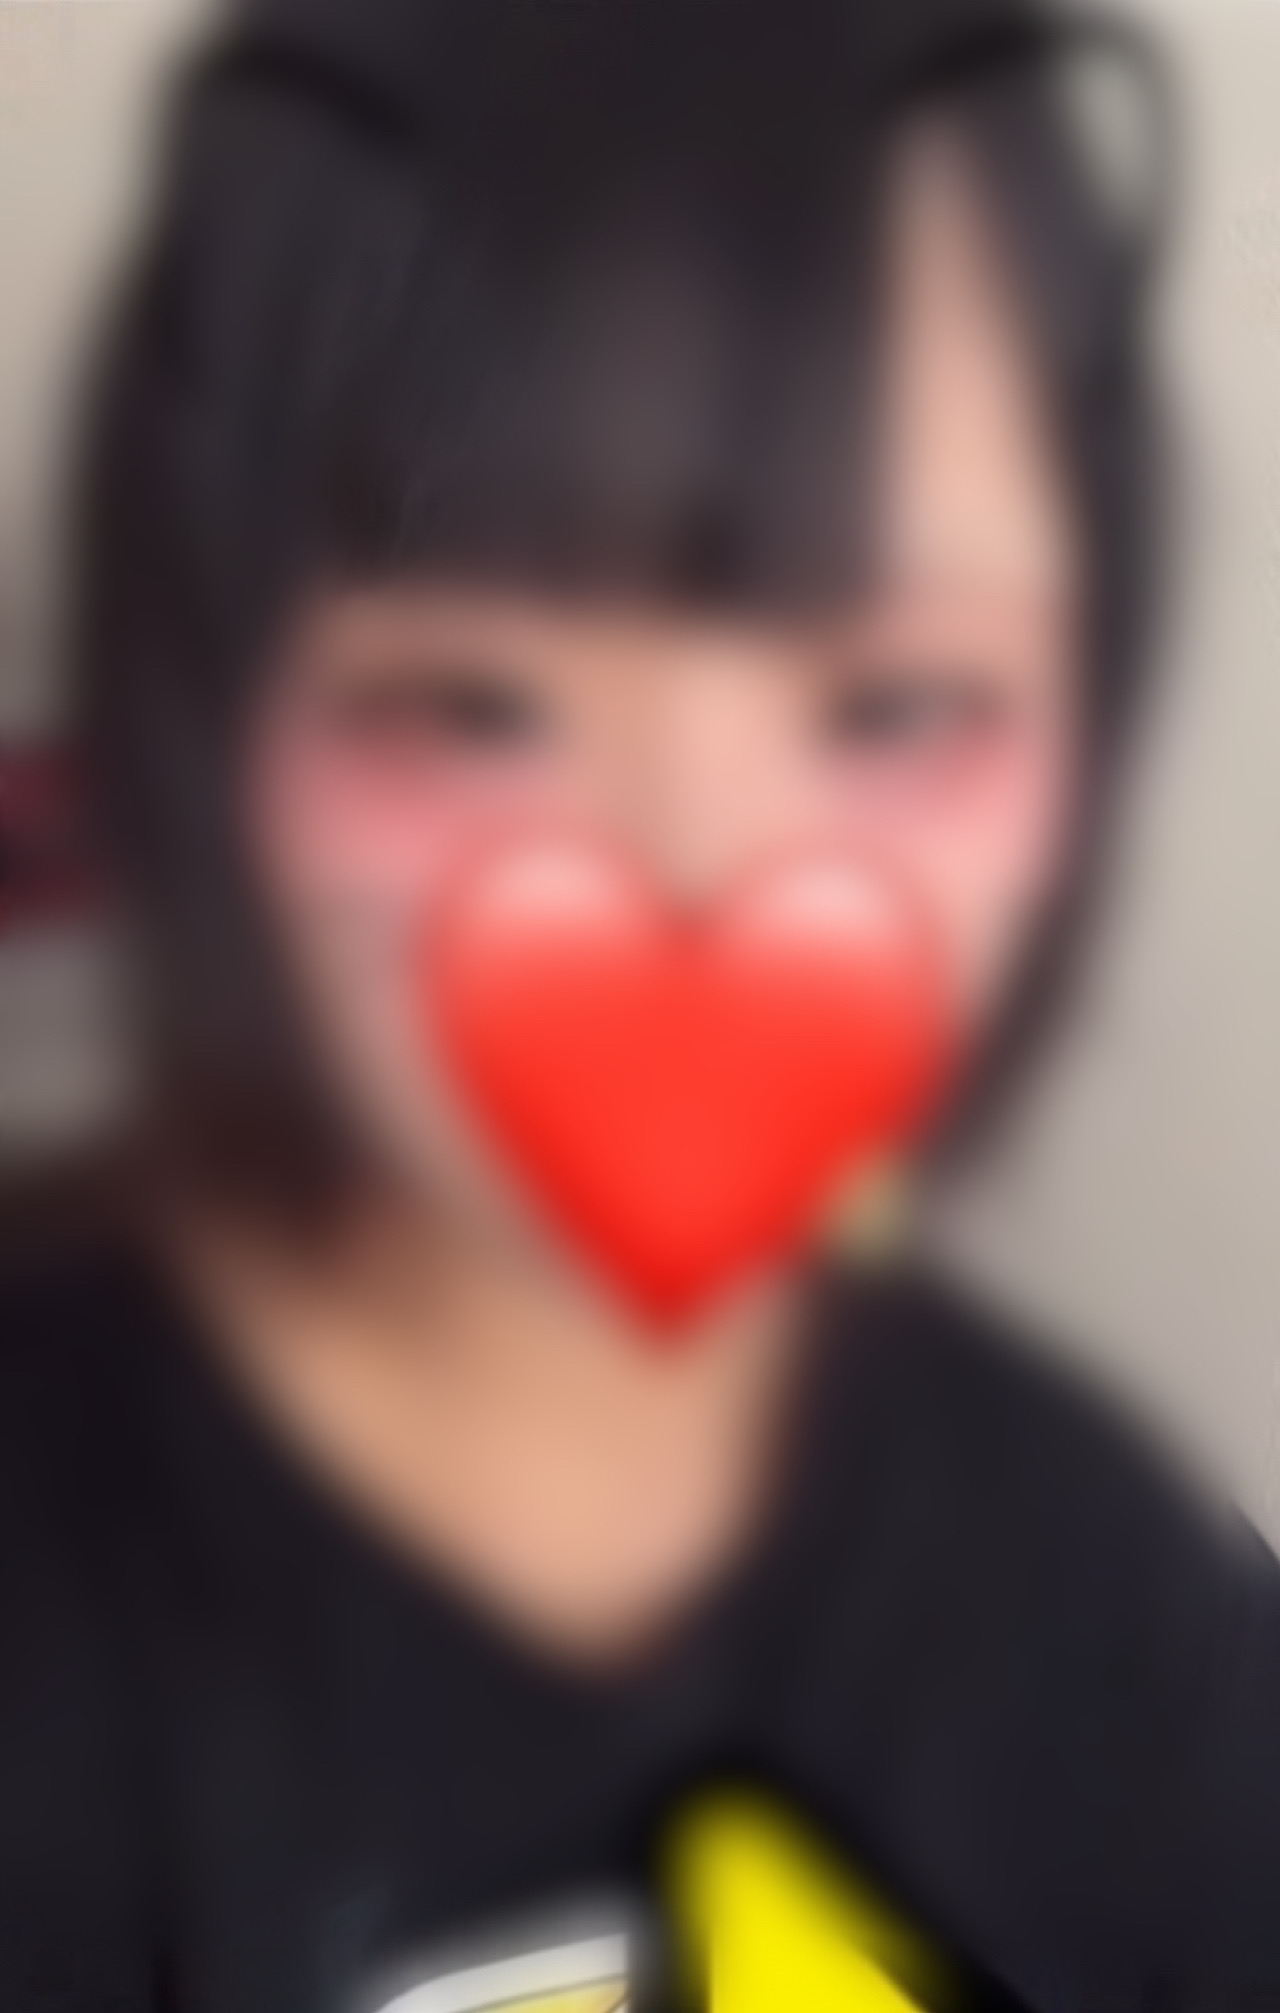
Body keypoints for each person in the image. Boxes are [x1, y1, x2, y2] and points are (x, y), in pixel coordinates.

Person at [4, 1, 1280, 2008]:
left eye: (899, 707)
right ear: (202, 707)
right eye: (467, 707)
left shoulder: (1132, 1631)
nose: (697, 884)